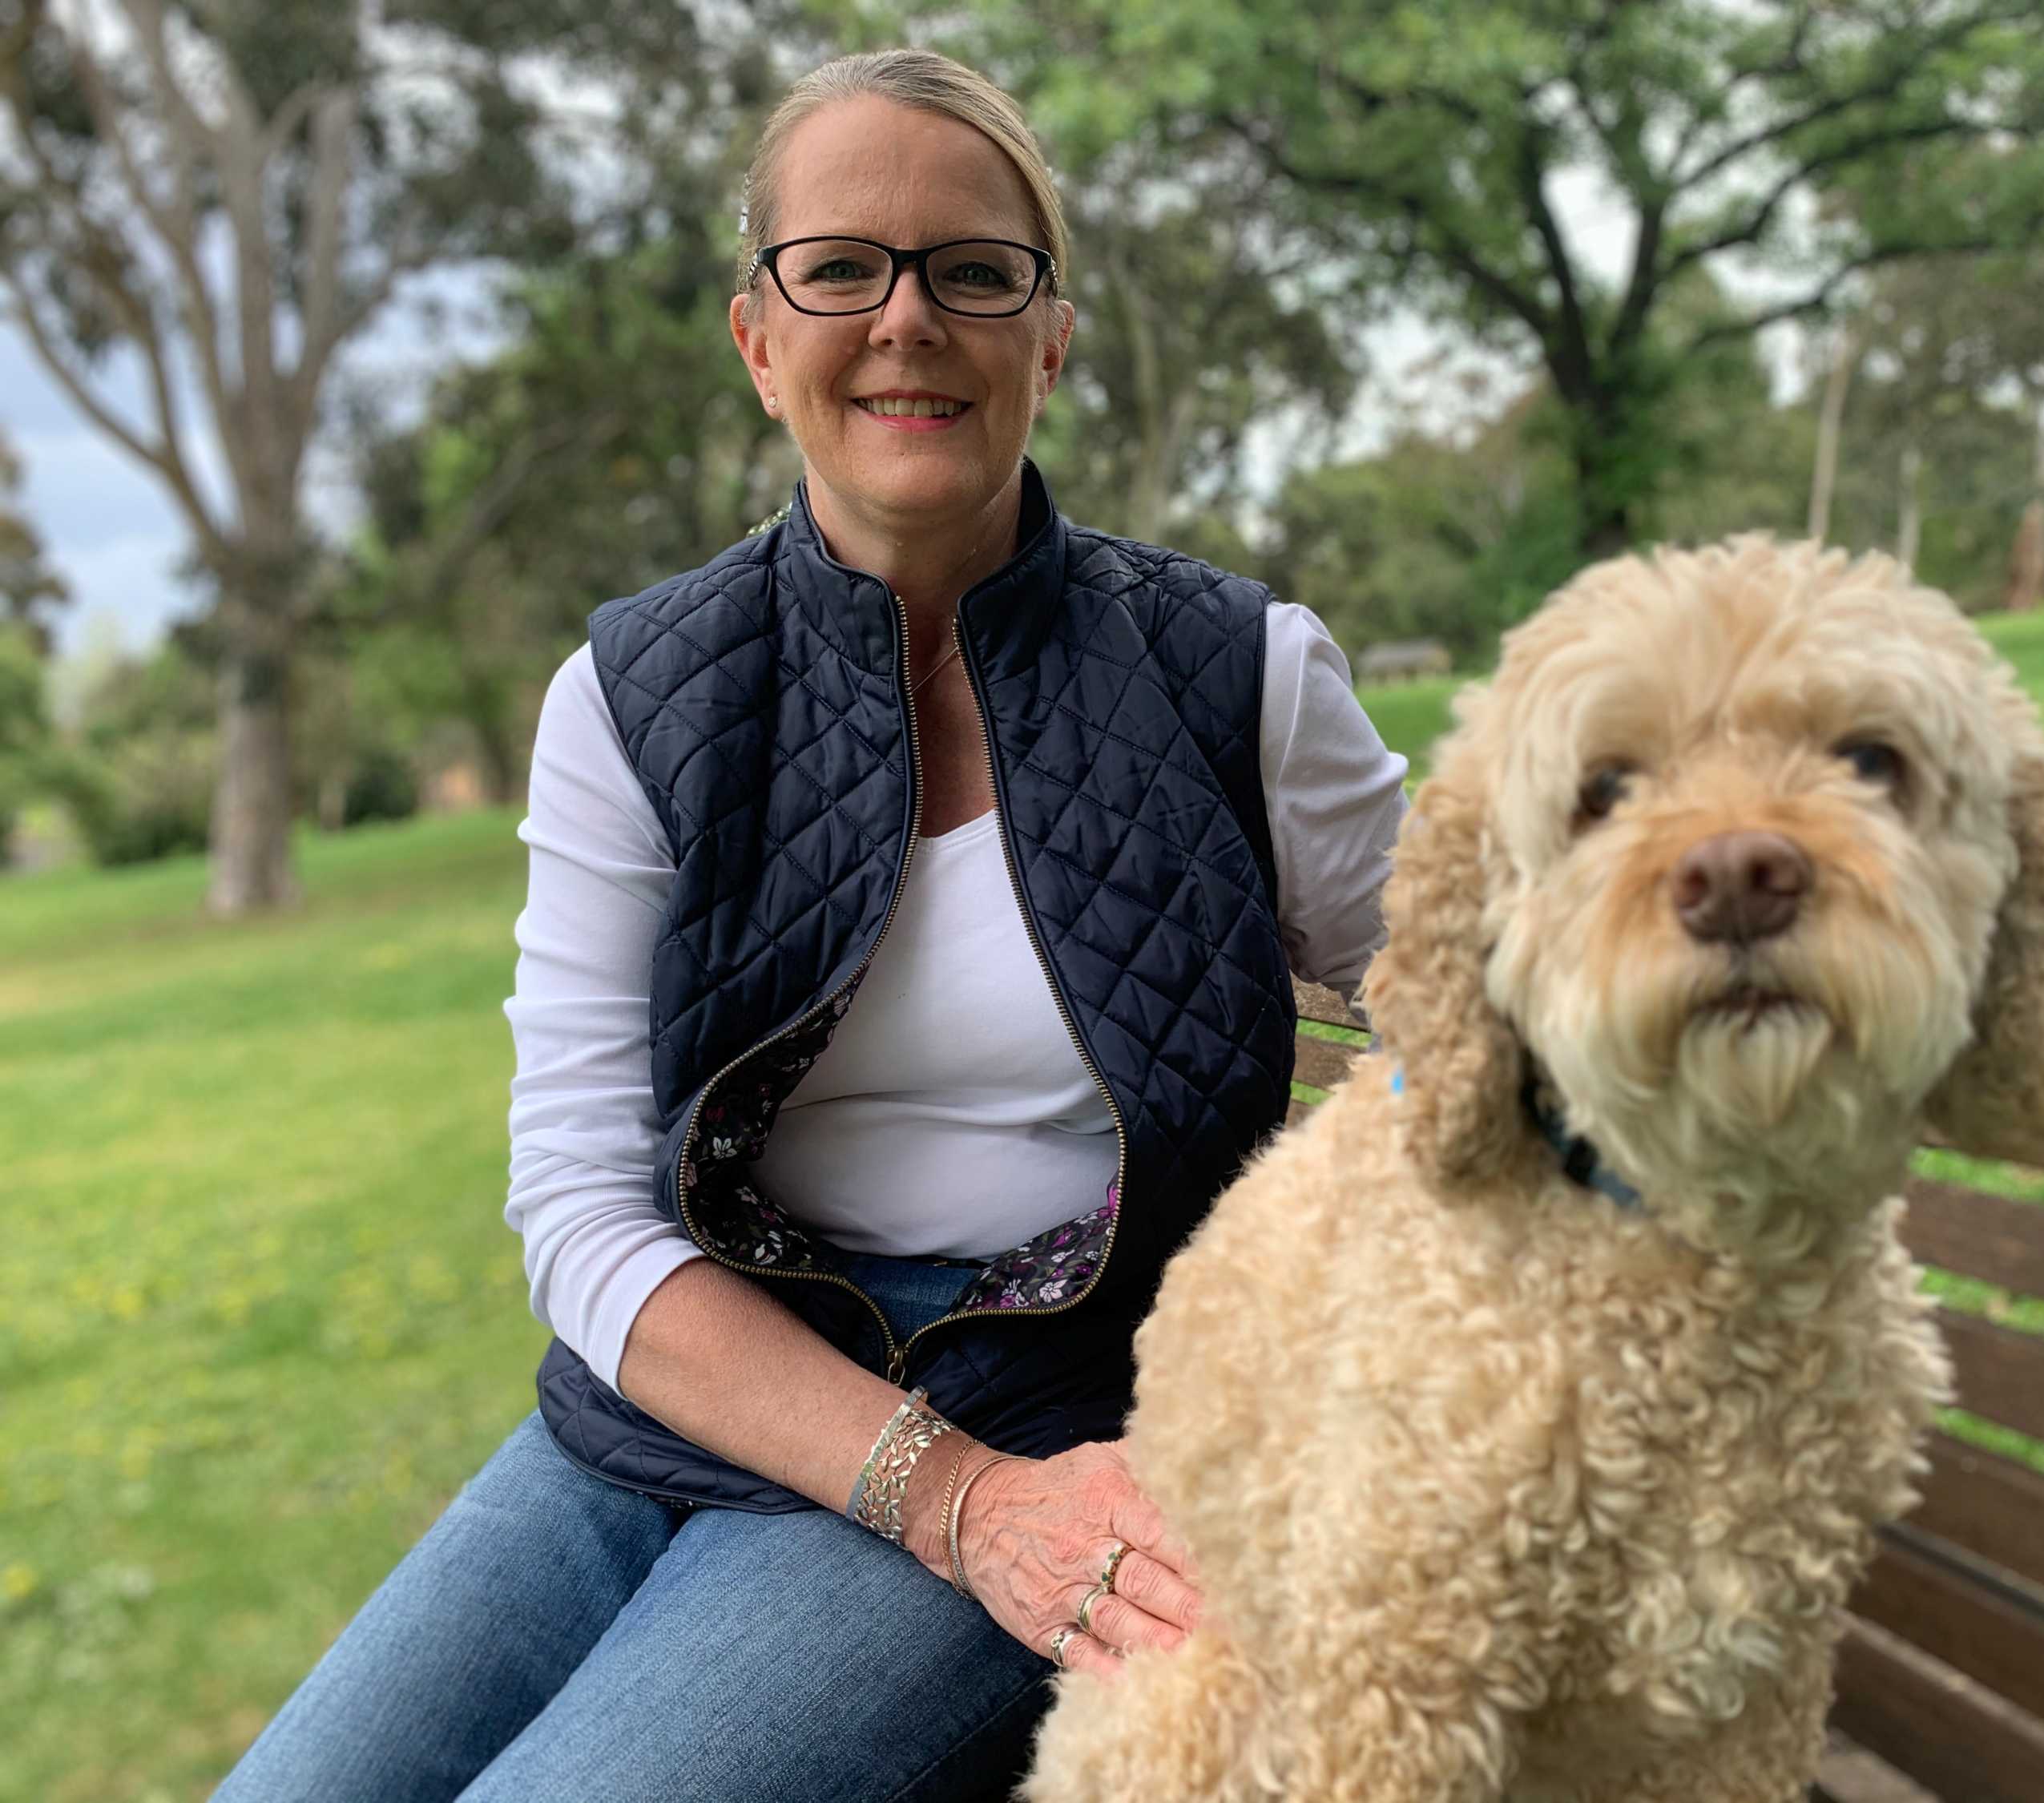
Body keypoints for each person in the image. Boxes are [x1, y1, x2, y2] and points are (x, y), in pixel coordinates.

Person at [212, 46, 1407, 1803]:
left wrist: (1310, 1314)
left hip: (1042, 1405)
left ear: (1051, 340)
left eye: (974, 271)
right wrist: (941, 1498)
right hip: (690, 1396)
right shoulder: (632, 699)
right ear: (759, 340)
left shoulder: (1244, 675)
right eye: (840, 267)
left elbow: (1497, 1016)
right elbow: (577, 1205)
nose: (906, 317)